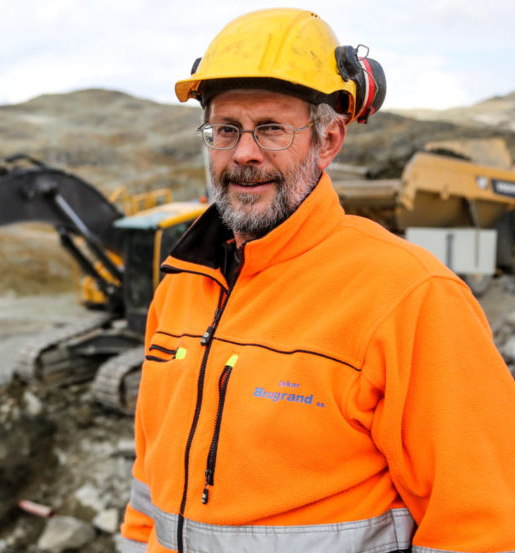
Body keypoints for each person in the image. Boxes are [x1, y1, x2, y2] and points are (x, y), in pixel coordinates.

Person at [118, 8, 515, 553]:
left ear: (328, 140)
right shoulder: (180, 287)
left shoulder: (412, 297)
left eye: (272, 130)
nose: (244, 154)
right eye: (226, 130)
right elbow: (150, 489)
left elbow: (482, 526)